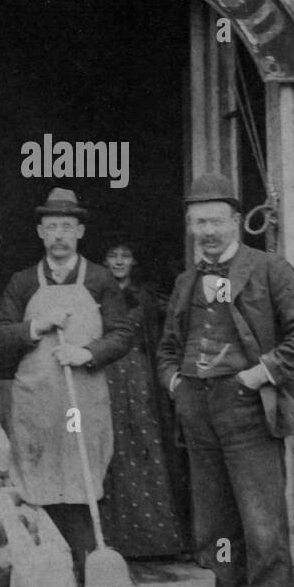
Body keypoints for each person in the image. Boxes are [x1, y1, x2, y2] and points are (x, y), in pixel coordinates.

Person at [158, 173, 294, 587]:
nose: (207, 231)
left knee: (264, 534)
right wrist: (176, 384)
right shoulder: (186, 281)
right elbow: (168, 349)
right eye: (197, 222)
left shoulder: (271, 270)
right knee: (217, 536)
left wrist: (258, 374)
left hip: (250, 416)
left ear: (235, 221)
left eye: (215, 220)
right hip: (199, 416)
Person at [0, 188, 135, 587]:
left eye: (66, 227)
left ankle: (89, 571)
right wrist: (37, 326)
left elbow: (123, 334)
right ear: (40, 232)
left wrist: (86, 353)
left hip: (83, 393)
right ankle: (50, 572)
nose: (58, 235)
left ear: (80, 231)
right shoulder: (22, 283)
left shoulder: (102, 281)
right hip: (37, 397)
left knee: (84, 478)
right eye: (51, 227)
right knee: (40, 477)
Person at [97, 235, 189, 558]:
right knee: (109, 450)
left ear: (134, 262)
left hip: (138, 378)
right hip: (104, 375)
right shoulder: (94, 292)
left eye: (125, 255)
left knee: (145, 445)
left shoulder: (146, 296)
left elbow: (174, 322)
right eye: (113, 255)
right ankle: (111, 539)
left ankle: (154, 539)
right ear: (105, 260)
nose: (119, 261)